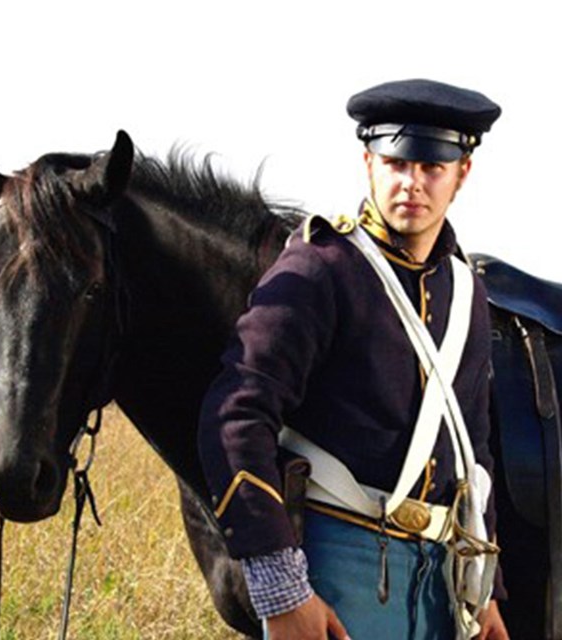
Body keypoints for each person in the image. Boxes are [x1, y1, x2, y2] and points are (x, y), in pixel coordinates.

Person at [198, 79, 509, 639]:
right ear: (369, 162)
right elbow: (236, 416)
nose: (411, 182)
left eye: (432, 167)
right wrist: (282, 589)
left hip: (443, 583)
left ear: (462, 172)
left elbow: (473, 457)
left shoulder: (467, 292)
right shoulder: (321, 268)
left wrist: (486, 592)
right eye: (395, 162)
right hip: (336, 568)